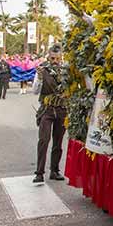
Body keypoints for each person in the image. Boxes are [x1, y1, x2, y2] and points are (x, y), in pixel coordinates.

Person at [31, 46, 68, 183]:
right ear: (48, 57)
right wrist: (40, 78)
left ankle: (55, 170)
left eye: (58, 58)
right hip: (46, 109)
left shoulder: (66, 71)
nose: (55, 61)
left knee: (58, 142)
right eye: (52, 58)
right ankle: (39, 173)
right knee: (43, 140)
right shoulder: (42, 69)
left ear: (61, 58)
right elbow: (35, 91)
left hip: (62, 109)